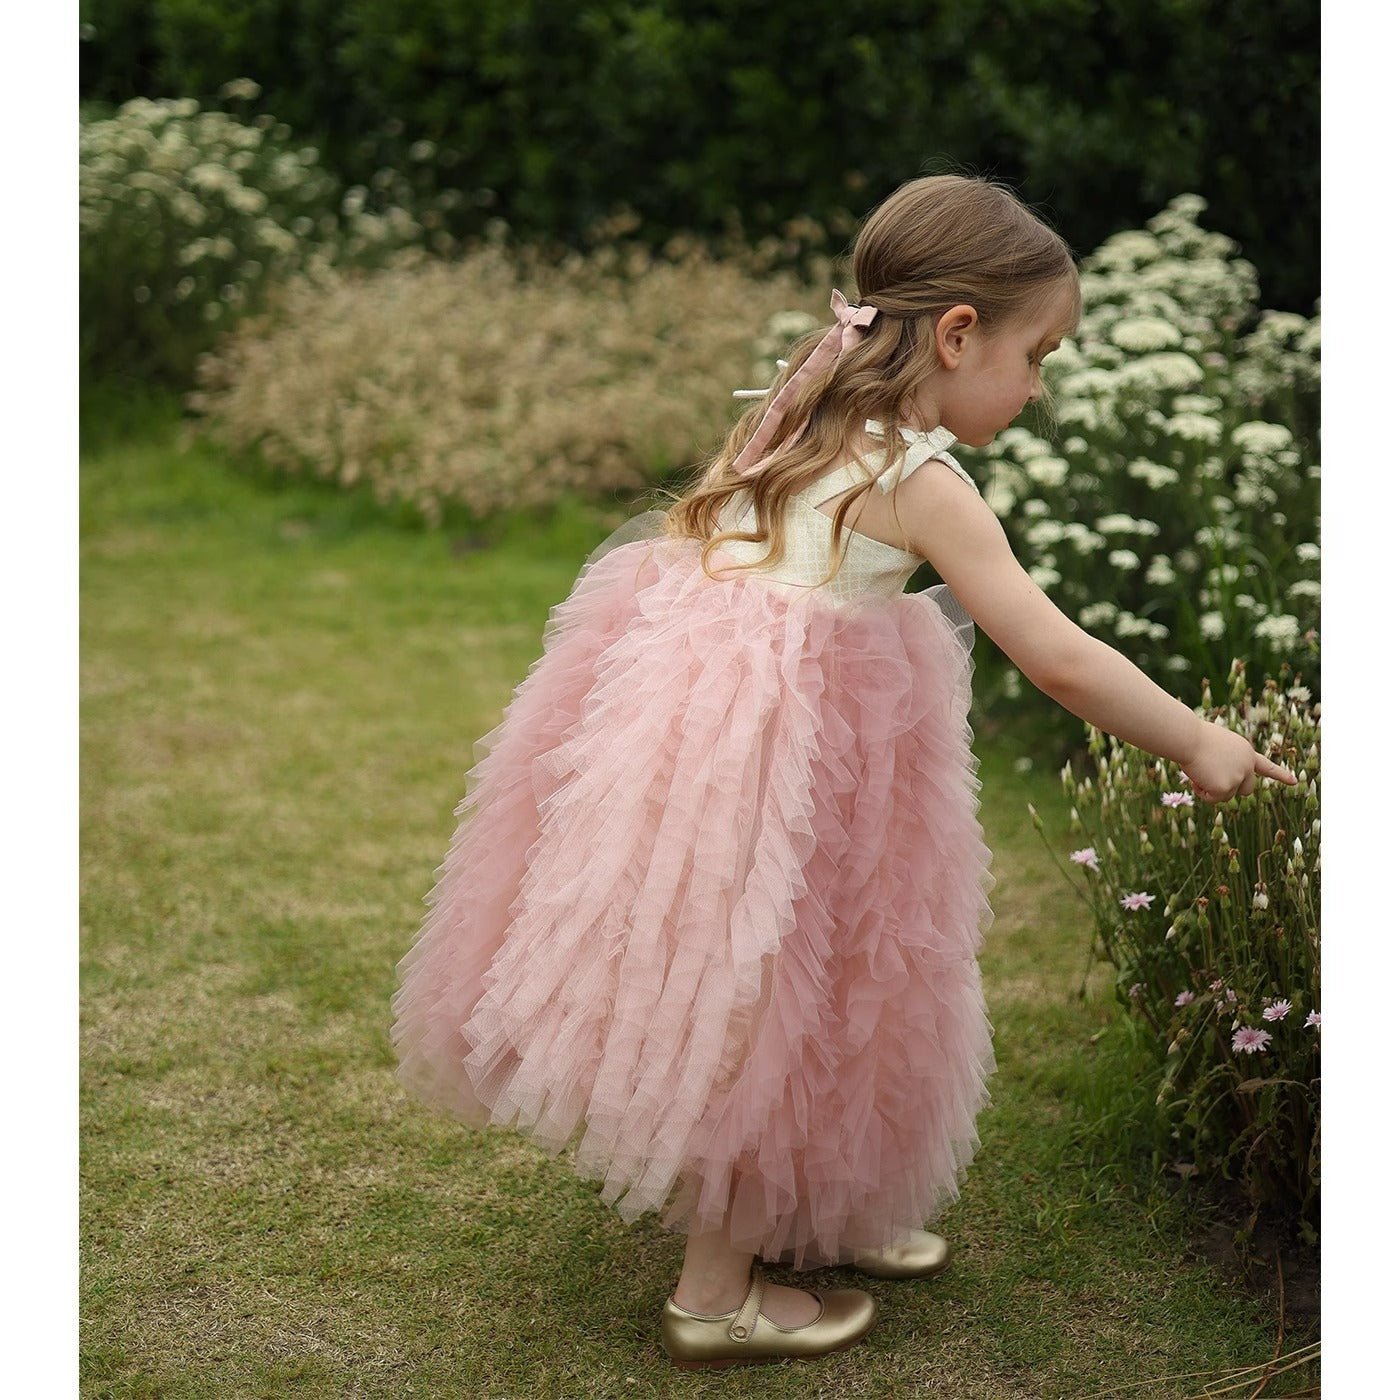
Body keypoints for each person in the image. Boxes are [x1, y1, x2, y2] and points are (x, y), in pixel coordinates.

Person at [389, 173, 1297, 1370]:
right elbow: (1055, 654)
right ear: (959, 334)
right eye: (1037, 355)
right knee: (772, 994)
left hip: (727, 730)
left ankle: (821, 1208)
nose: (1038, 386)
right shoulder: (920, 482)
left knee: (843, 966)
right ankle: (715, 1292)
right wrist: (1194, 736)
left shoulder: (804, 400)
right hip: (791, 761)